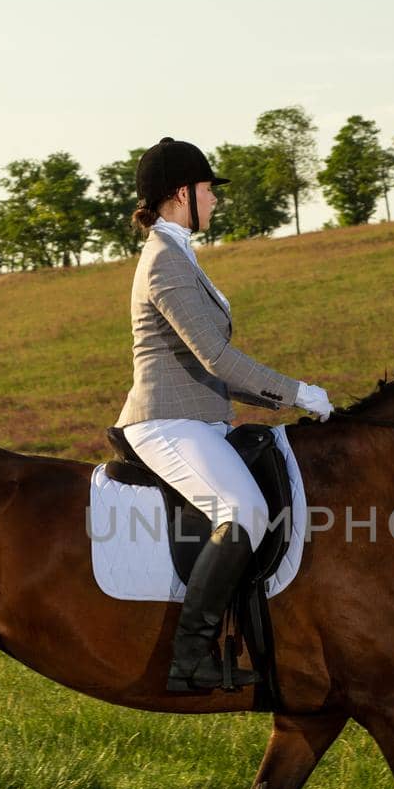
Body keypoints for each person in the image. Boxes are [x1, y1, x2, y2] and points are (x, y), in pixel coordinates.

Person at [115, 137, 334, 693]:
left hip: (200, 418)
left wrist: (278, 403)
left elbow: (208, 365)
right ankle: (190, 655)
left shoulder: (181, 253)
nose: (215, 200)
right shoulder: (164, 261)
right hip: (164, 421)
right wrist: (296, 391)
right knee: (243, 509)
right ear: (179, 195)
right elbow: (215, 355)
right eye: (209, 190)